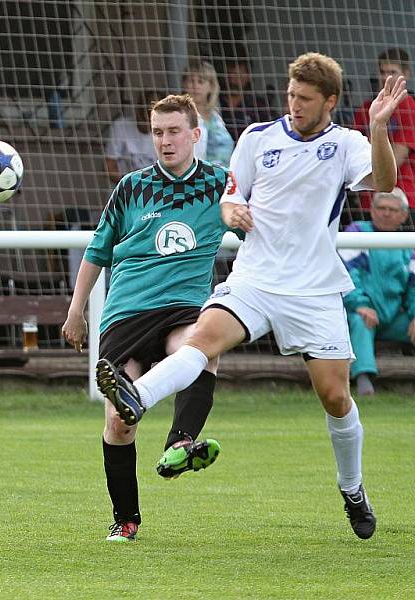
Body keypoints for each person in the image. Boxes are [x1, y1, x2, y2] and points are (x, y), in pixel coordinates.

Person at [98, 52, 408, 540]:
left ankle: (352, 489)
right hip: (256, 279)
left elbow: (386, 184)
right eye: (290, 95)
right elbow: (231, 197)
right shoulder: (258, 137)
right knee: (202, 340)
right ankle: (138, 397)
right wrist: (232, 213)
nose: (295, 105)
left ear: (329, 101)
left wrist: (377, 128)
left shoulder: (347, 143)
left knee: (335, 397)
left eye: (305, 99)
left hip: (313, 289)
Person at [64, 94, 236, 542]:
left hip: (182, 306)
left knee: (199, 348)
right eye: (157, 132)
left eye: (174, 131)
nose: (164, 140)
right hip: (126, 311)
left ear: (195, 135)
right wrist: (76, 309)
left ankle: (180, 444)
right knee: (120, 423)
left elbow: (257, 226)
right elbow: (97, 251)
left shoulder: (220, 186)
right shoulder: (131, 187)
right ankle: (125, 520)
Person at [341, 187, 415, 396]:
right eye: (381, 208)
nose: (386, 213)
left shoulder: (409, 245)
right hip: (357, 310)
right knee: (360, 320)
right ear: (372, 210)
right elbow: (348, 275)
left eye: (392, 209)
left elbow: (414, 286)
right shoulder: (356, 232)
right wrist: (360, 304)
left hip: (393, 316)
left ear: (403, 215)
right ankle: (364, 383)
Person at [353, 48, 415, 212]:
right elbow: (354, 152)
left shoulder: (410, 108)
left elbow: (398, 156)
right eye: (382, 72)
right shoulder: (366, 109)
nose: (386, 77)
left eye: (392, 72)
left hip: (401, 201)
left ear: (406, 74)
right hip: (367, 200)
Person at [104, 90, 164, 184]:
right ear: (137, 110)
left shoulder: (167, 134)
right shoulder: (121, 126)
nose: (147, 120)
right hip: (125, 186)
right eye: (145, 113)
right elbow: (109, 166)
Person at [183, 60, 235, 167]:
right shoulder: (181, 116)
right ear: (185, 85)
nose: (195, 86)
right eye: (191, 81)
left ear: (211, 86)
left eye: (201, 81)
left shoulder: (217, 117)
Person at [220, 56, 273, 141]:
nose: (233, 81)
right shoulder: (215, 102)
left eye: (239, 76)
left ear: (248, 77)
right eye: (230, 74)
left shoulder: (258, 106)